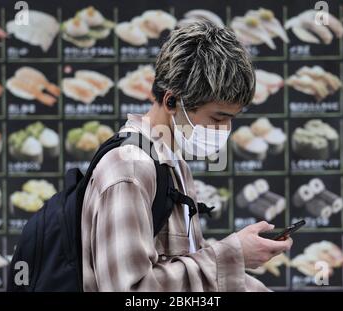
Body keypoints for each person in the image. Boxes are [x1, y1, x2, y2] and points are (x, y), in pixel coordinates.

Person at [81, 20, 292, 292]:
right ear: (171, 101)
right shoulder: (129, 170)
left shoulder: (171, 163)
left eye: (232, 119)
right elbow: (131, 292)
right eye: (218, 117)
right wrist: (232, 255)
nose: (226, 130)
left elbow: (189, 269)